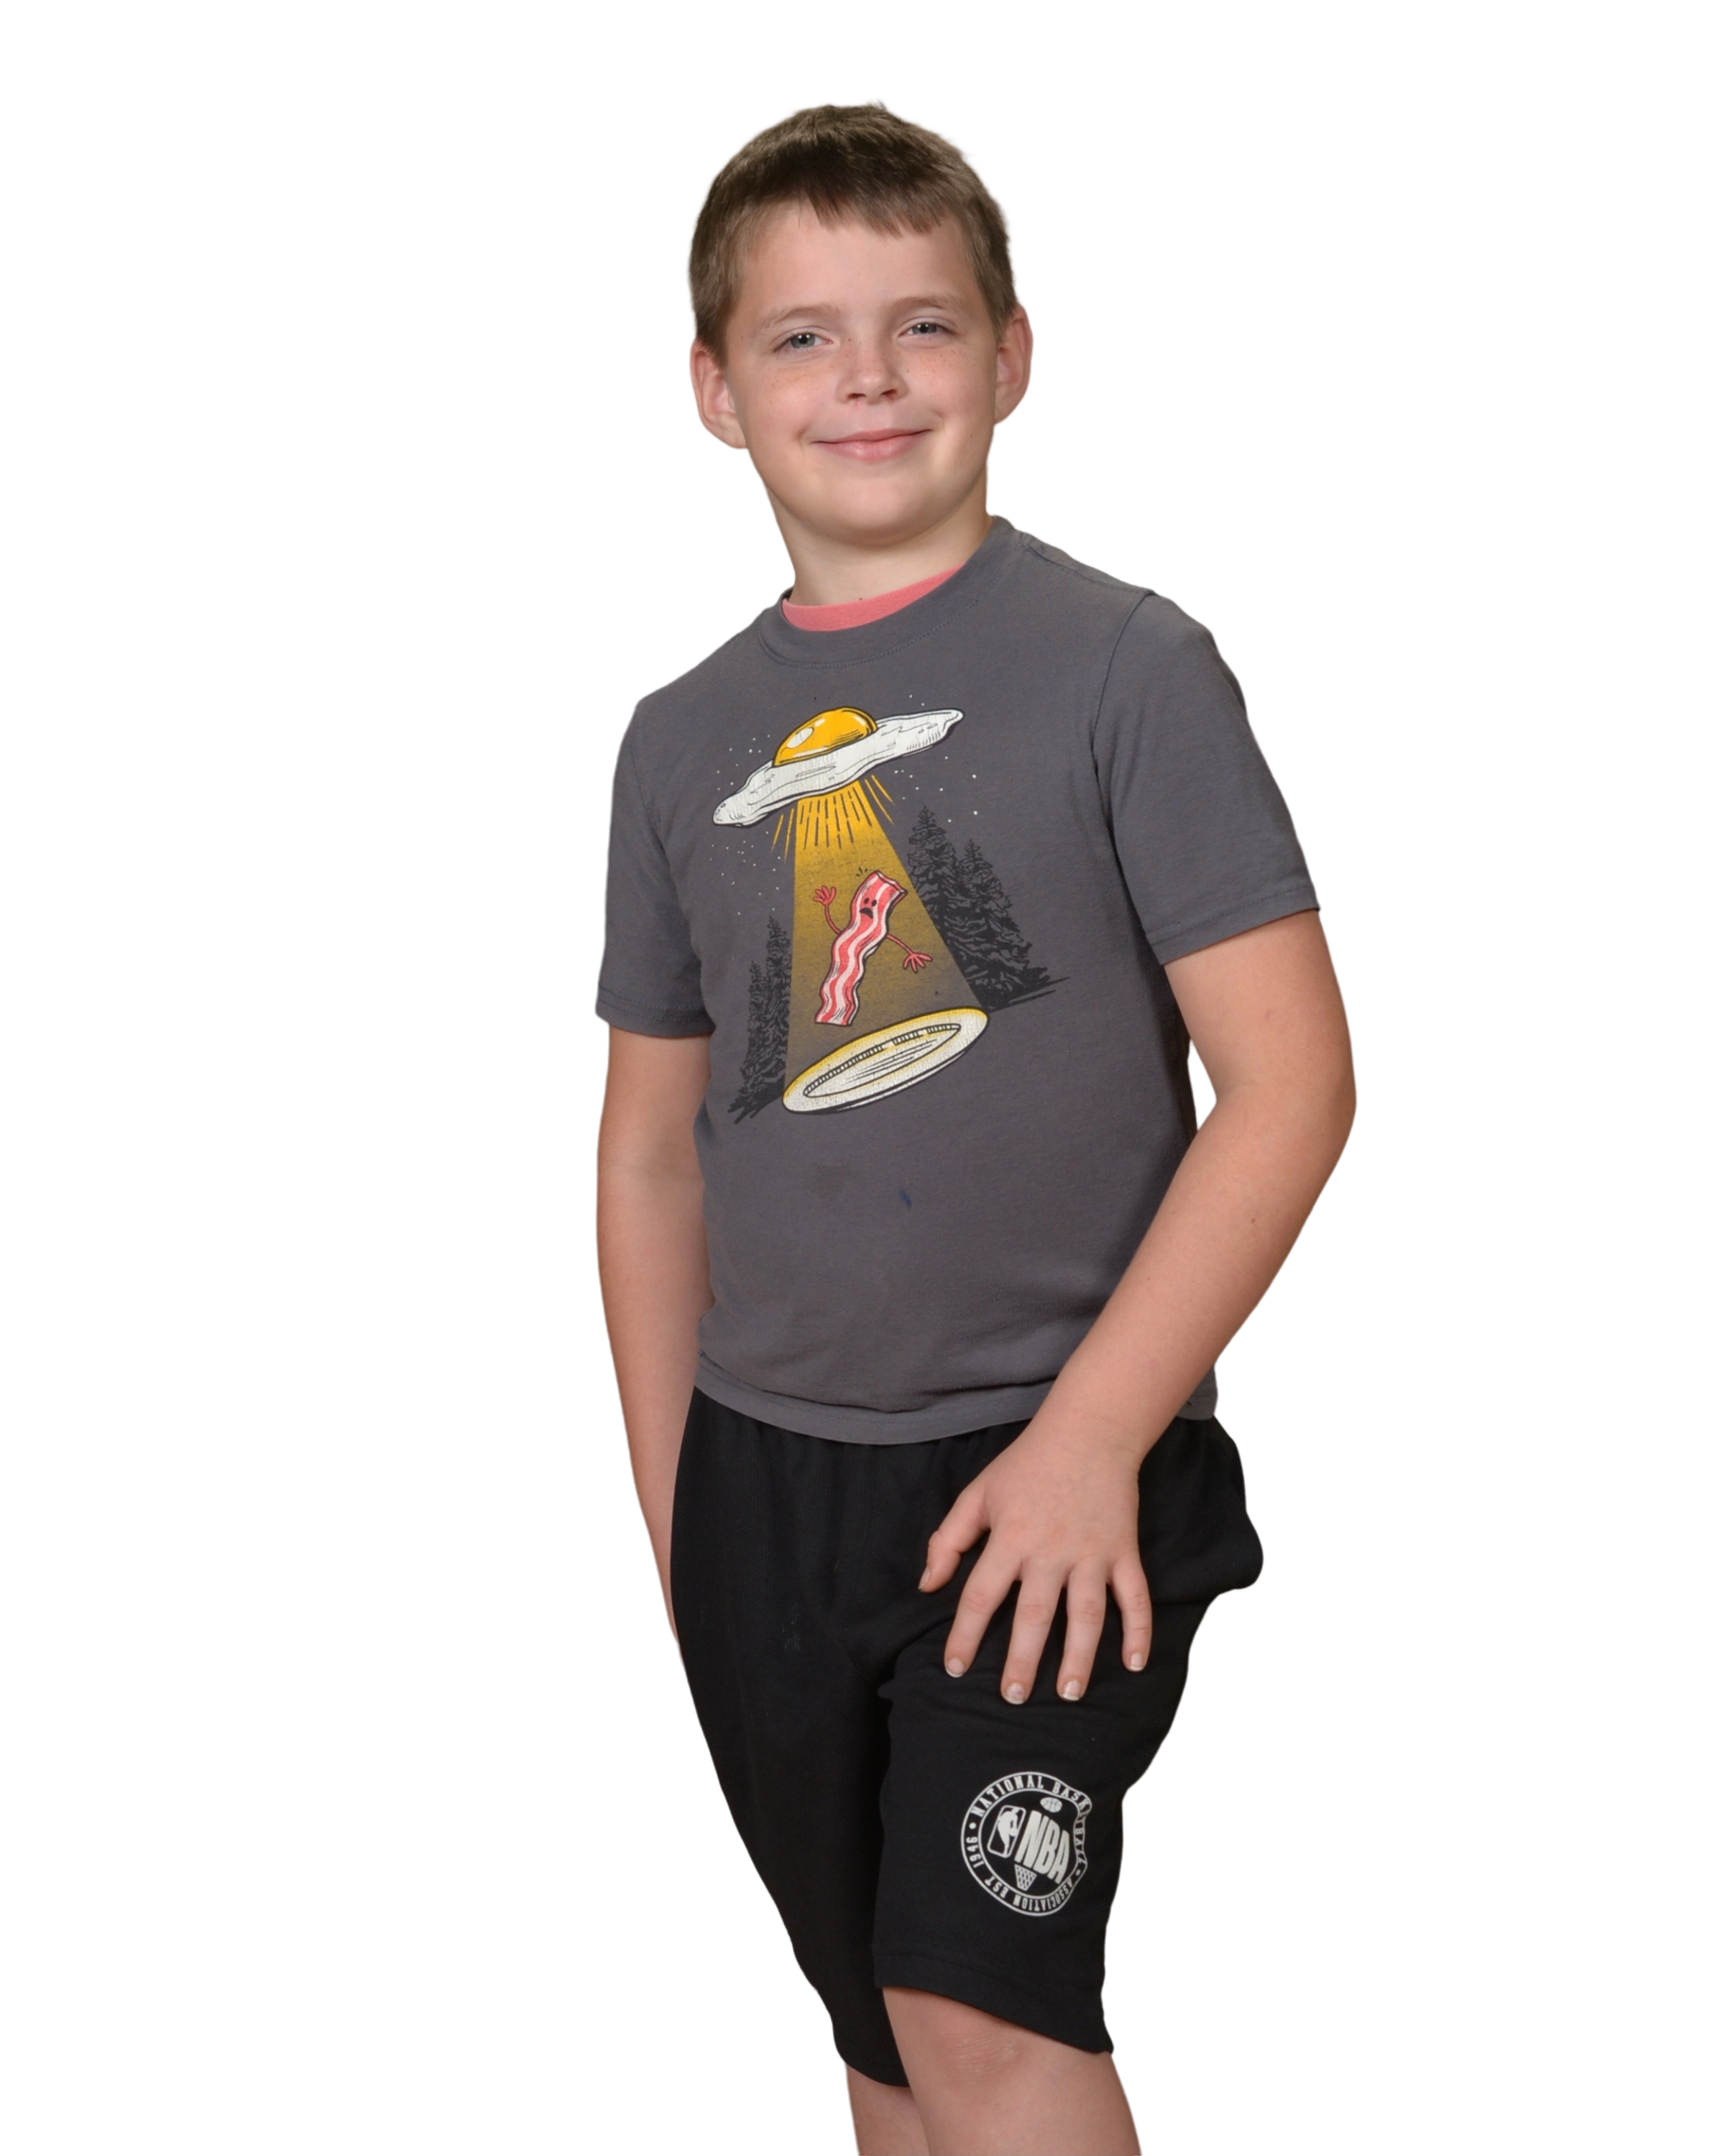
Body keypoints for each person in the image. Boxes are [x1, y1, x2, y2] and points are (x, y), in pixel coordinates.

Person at [592, 95, 1357, 2156]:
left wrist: (1093, 1439)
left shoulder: (1129, 669)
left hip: (1055, 1454)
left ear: (1013, 358)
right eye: (803, 336)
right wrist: (680, 1513)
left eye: (921, 324)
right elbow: (651, 1153)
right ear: (713, 393)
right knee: (882, 2042)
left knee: (982, 2002)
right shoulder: (676, 743)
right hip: (765, 1492)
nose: (868, 377)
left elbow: (1294, 1082)